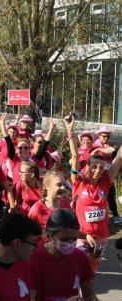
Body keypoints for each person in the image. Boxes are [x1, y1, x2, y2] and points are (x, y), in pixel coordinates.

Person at [65, 116, 122, 272]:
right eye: (94, 167)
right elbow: (75, 156)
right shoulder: (79, 180)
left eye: (101, 167)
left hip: (102, 236)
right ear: (87, 167)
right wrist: (70, 131)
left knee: (91, 271)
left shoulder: (105, 181)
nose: (98, 170)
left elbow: (119, 157)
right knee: (79, 270)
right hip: (82, 237)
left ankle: (85, 295)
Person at [29, 209, 96, 301]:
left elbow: (89, 295)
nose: (70, 243)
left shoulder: (80, 257)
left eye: (74, 238)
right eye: (64, 239)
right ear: (50, 235)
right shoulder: (34, 259)